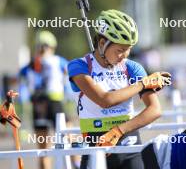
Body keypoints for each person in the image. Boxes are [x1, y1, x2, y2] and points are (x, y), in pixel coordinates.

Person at [68, 9, 171, 169]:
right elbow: (105, 100)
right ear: (102, 44)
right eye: (120, 50)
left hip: (130, 148)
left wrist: (118, 131)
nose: (125, 55)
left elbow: (155, 109)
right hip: (96, 151)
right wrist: (142, 84)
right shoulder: (79, 66)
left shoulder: (132, 67)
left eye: (128, 49)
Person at [19, 30, 68, 169]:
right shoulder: (57, 60)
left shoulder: (31, 64)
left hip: (39, 105)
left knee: (45, 148)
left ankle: (74, 163)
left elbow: (19, 78)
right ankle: (76, 163)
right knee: (67, 141)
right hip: (52, 103)